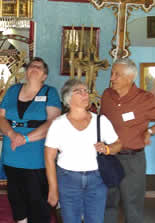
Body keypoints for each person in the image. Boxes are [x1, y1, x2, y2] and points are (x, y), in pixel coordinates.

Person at [45, 79, 122, 223]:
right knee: (70, 220)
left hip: (97, 180)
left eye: (86, 91)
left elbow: (118, 145)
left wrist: (107, 149)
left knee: (95, 220)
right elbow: (49, 158)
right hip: (67, 179)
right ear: (68, 98)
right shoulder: (58, 124)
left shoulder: (101, 120)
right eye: (78, 91)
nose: (84, 94)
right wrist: (53, 188)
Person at [0, 57, 61, 223]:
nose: (34, 68)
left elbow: (52, 122)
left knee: (37, 200)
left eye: (39, 67)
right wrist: (13, 135)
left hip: (36, 156)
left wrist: (25, 138)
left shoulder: (50, 92)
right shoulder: (13, 90)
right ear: (26, 72)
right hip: (12, 152)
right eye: (31, 66)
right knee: (15, 198)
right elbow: (1, 117)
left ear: (44, 76)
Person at [100, 58, 155, 223]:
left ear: (130, 78)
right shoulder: (106, 95)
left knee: (132, 206)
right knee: (108, 203)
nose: (111, 77)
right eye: (112, 73)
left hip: (132, 160)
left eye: (116, 74)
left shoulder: (145, 99)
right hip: (109, 157)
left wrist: (150, 130)